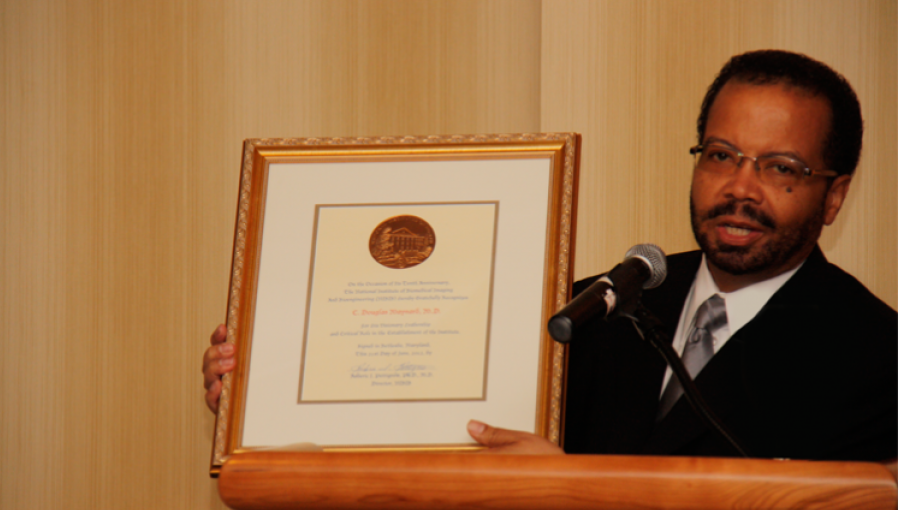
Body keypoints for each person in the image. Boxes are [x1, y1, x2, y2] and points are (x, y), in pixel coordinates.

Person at [203, 50, 897, 461]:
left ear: (833, 198)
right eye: (720, 156)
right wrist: (263, 397)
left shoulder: (876, 358)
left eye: (779, 168)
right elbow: (428, 423)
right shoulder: (591, 307)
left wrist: (570, 491)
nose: (739, 188)